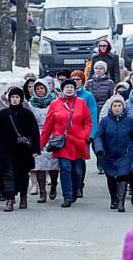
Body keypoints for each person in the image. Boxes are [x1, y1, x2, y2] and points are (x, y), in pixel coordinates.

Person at [41, 79, 92, 208]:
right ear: (62, 89)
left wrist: (84, 135)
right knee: (65, 169)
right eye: (67, 87)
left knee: (77, 172)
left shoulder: (80, 103)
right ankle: (67, 196)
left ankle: (75, 191)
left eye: (71, 87)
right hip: (62, 143)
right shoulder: (55, 104)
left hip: (78, 142)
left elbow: (88, 122)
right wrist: (41, 143)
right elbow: (48, 126)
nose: (69, 89)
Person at [0, 87, 40, 212]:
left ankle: (23, 196)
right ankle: (9, 199)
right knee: (8, 174)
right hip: (6, 150)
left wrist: (35, 149)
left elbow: (34, 132)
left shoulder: (27, 114)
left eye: (17, 97)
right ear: (9, 98)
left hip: (23, 150)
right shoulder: (3, 114)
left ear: (21, 99)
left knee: (22, 175)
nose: (14, 100)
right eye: (13, 97)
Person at [95, 95, 133, 212]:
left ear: (123, 107)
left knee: (122, 175)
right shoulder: (105, 121)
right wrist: (99, 149)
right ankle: (114, 199)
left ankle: (121, 202)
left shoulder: (130, 121)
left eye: (119, 105)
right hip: (108, 153)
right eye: (114, 106)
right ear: (111, 107)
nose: (117, 108)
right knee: (111, 176)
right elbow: (99, 136)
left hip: (125, 153)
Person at [29, 79, 59, 203]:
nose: (40, 91)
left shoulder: (54, 102)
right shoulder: (30, 104)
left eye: (42, 88)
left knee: (53, 164)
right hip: (38, 135)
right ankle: (42, 192)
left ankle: (53, 184)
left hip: (52, 134)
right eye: (37, 89)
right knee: (39, 164)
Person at [71, 70, 98, 195]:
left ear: (82, 81)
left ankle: (79, 185)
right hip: (68, 133)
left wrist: (91, 134)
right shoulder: (65, 94)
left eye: (78, 79)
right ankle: (71, 184)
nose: (75, 82)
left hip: (83, 133)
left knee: (80, 159)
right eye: (73, 79)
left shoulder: (88, 96)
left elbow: (92, 115)